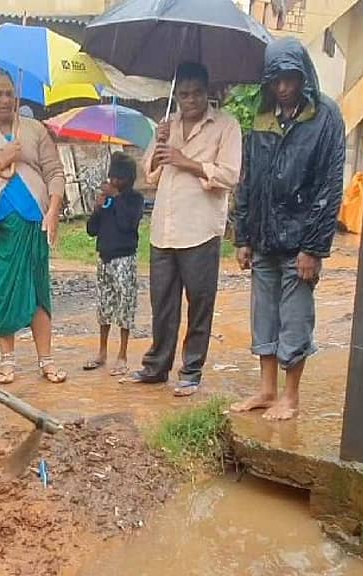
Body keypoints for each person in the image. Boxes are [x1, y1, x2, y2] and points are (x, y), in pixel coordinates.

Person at [232, 37, 345, 421]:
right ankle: (267, 390)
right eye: (276, 80)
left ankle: (291, 397)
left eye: (290, 79)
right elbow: (248, 180)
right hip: (263, 237)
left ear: (303, 77)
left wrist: (313, 247)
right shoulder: (263, 116)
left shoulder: (324, 116)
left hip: (300, 241)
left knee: (295, 317)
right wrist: (243, 236)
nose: (283, 87)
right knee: (263, 314)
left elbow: (329, 186)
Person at [125, 61, 242, 397]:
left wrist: (185, 161)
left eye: (196, 94)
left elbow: (230, 175)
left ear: (208, 93)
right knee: (162, 302)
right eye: (184, 95)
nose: (189, 100)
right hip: (165, 227)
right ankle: (156, 367)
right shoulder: (168, 125)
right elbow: (149, 175)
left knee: (199, 302)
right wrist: (160, 148)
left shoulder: (226, 126)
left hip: (201, 229)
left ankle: (191, 371)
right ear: (176, 96)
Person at [0, 66, 67, 385]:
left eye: (9, 93)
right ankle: (7, 361)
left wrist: (54, 209)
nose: (5, 100)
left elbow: (55, 173)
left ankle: (46, 359)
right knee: (3, 292)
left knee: (37, 290)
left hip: (34, 223)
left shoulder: (33, 130)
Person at [84, 152, 143, 377]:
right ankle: (102, 352)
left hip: (124, 258)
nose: (111, 181)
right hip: (104, 258)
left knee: (125, 306)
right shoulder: (108, 200)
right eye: (111, 177)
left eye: (116, 178)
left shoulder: (134, 200)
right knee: (104, 305)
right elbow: (92, 230)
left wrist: (116, 198)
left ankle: (123, 355)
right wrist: (98, 208)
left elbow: (127, 224)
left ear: (126, 179)